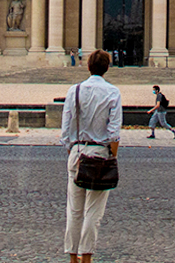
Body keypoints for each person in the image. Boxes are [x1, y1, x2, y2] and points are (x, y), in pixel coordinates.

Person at [60, 49, 121, 263]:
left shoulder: (74, 91)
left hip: (77, 153)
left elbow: (65, 130)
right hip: (100, 153)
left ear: (88, 66)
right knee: (93, 212)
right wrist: (112, 156)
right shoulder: (113, 93)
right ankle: (87, 257)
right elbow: (114, 133)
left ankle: (72, 258)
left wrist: (73, 150)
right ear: (107, 68)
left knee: (74, 210)